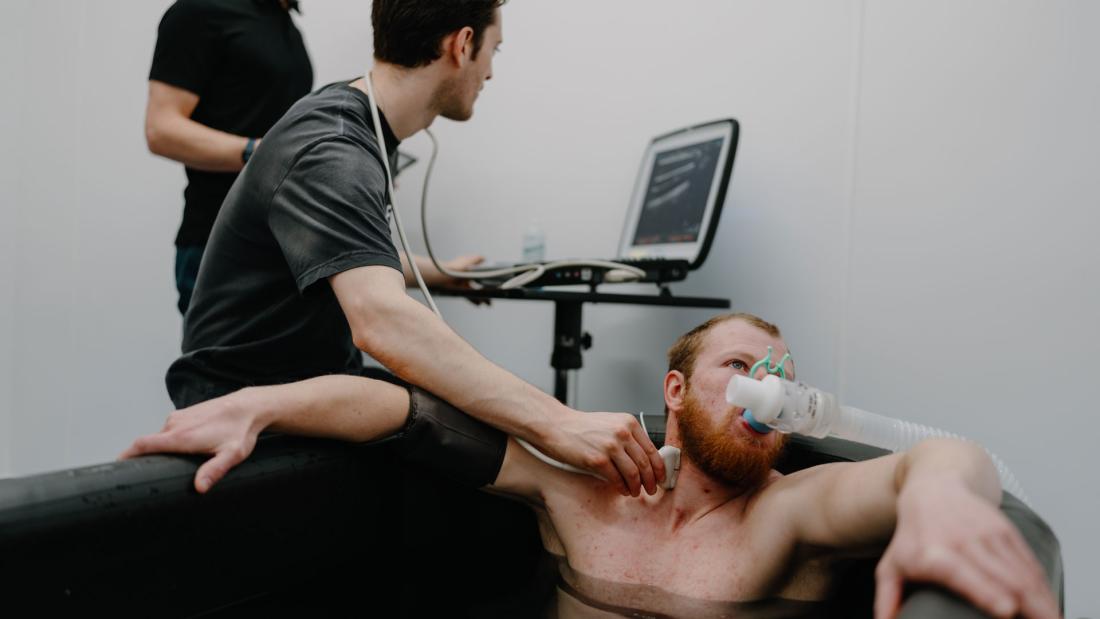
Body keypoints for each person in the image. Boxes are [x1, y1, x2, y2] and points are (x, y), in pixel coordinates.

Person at [124, 313, 1060, 619]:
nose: (767, 387)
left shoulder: (786, 517)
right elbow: (411, 413)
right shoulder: (581, 493)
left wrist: (939, 499)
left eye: (781, 375)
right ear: (675, 390)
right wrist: (265, 404)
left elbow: (938, 460)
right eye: (741, 365)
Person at [160, 0, 665, 497]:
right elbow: (381, 322)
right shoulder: (335, 148)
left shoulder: (350, 125)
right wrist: (561, 423)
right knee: (504, 452)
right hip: (246, 413)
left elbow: (345, 259)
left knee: (487, 436)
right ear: (462, 45)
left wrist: (438, 273)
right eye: (494, 51)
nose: (491, 71)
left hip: (301, 384)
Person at [146, 0, 314, 314]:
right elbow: (161, 129)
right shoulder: (201, 11)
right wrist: (261, 153)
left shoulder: (286, 25)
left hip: (283, 244)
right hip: (219, 244)